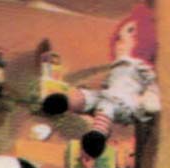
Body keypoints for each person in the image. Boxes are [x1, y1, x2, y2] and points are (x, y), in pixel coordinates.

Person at [41, 3, 160, 158]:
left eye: (130, 33)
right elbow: (111, 86)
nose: (120, 42)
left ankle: (97, 135)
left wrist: (149, 98)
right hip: (108, 96)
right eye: (118, 39)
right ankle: (65, 102)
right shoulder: (118, 66)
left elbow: (152, 84)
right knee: (88, 96)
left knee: (106, 105)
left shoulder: (141, 67)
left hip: (127, 104)